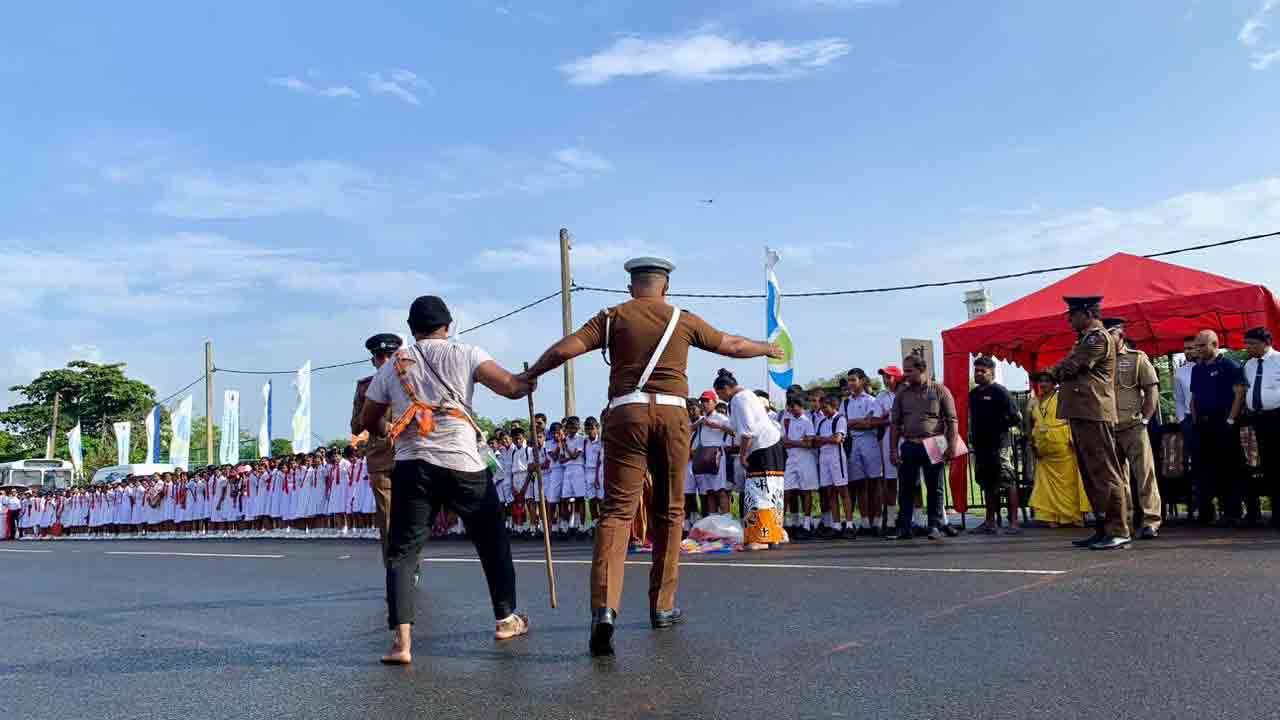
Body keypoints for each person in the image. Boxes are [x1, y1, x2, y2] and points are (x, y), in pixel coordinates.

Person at [522, 256, 781, 657]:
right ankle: (662, 606)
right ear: (665, 287)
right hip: (674, 414)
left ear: (631, 287)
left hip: (626, 413)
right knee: (671, 510)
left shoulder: (611, 317)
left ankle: (604, 609)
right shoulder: (682, 318)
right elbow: (730, 344)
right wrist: (768, 348)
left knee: (617, 512)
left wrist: (531, 374)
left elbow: (564, 349)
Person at [359, 295, 533, 665]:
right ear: (448, 326)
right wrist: (528, 380)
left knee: (403, 552)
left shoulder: (393, 366)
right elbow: (511, 388)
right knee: (493, 541)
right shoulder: (467, 352)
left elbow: (367, 418)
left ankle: (401, 643)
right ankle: (505, 618)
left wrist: (391, 428)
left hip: (413, 464)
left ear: (411, 330)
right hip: (462, 461)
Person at [1049, 296, 1131, 550]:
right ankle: (1103, 527)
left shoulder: (1097, 338)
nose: (1069, 319)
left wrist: (1055, 371)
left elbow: (1073, 366)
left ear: (1086, 313)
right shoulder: (1085, 339)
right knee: (1091, 474)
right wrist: (1059, 368)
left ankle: (1118, 529)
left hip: (1094, 412)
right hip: (1082, 413)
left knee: (1105, 472)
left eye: (1072, 314)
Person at [889, 355, 960, 541]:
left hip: (934, 443)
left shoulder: (940, 390)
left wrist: (951, 446)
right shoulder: (902, 394)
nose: (905, 375)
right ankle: (904, 527)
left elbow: (952, 420)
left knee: (935, 487)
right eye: (904, 370)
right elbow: (895, 424)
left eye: (909, 371)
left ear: (922, 369)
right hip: (910, 445)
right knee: (905, 488)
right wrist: (893, 450)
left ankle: (934, 526)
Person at [1104, 318, 1162, 539]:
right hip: (1109, 428)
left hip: (1134, 426)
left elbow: (1151, 390)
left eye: (1111, 335)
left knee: (1144, 474)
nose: (1107, 340)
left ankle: (1150, 521)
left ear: (1121, 335)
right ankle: (1123, 521)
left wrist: (1146, 419)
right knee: (1117, 479)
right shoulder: (1099, 361)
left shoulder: (1137, 358)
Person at [716, 369, 786, 552]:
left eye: (719, 393)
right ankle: (774, 535)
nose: (720, 398)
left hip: (762, 448)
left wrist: (743, 454)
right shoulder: (746, 396)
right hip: (771, 445)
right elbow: (735, 426)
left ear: (725, 388)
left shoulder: (740, 399)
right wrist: (719, 424)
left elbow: (748, 431)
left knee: (758, 492)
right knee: (772, 492)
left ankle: (762, 537)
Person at [1190, 329, 1247, 526]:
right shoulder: (1197, 369)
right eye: (1196, 346)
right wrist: (1196, 420)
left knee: (1229, 468)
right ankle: (1208, 513)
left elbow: (1239, 394)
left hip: (1224, 422)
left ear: (1215, 344)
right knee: (1206, 469)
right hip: (1203, 425)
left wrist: (1231, 420)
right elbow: (1194, 398)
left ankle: (1233, 512)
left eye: (1202, 345)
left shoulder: (1230, 365)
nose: (1198, 349)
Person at [353, 333, 402, 553]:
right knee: (388, 516)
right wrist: (377, 421)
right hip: (381, 457)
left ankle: (410, 563)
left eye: (388, 355)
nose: (384, 361)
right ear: (373, 360)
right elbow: (355, 426)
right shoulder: (365, 387)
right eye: (379, 356)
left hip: (410, 452)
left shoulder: (411, 380)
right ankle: (394, 567)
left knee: (412, 515)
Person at [1027, 371, 1091, 526]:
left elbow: (1072, 419)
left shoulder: (1062, 398)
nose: (1043, 384)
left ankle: (1072, 516)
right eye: (1041, 381)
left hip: (1063, 445)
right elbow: (1029, 424)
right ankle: (1052, 517)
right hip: (1043, 447)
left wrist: (1074, 439)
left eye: (1047, 381)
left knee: (1069, 482)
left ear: (1054, 383)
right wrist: (1032, 443)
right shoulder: (1034, 401)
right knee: (1046, 484)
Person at [969, 356, 1023, 535]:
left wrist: (999, 426)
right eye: (976, 370)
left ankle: (1014, 522)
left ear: (991, 372)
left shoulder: (1001, 392)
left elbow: (1016, 417)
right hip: (981, 445)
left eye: (982, 371)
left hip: (999, 445)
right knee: (986, 483)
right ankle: (990, 521)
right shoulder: (973, 394)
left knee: (1008, 481)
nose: (978, 374)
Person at [1242, 326, 1280, 529]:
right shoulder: (1249, 365)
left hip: (1278, 416)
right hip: (1259, 419)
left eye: (1252, 344)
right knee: (1268, 465)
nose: (1248, 347)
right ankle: (1276, 514)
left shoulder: (1279, 360)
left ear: (1266, 344)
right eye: (1246, 344)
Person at [844, 368, 884, 536]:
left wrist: (855, 423)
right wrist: (859, 422)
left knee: (875, 483)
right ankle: (865, 522)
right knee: (859, 484)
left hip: (870, 441)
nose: (851, 383)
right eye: (849, 380)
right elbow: (843, 423)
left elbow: (871, 423)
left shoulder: (871, 400)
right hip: (854, 443)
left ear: (862, 380)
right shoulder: (846, 402)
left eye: (854, 380)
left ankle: (878, 521)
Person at [815, 394, 854, 538]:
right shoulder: (822, 422)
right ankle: (836, 525)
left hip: (837, 458)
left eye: (825, 407)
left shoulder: (840, 419)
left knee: (843, 491)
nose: (823, 410)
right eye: (822, 407)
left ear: (834, 406)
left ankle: (849, 524)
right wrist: (823, 440)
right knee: (830, 491)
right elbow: (819, 442)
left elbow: (837, 438)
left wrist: (820, 439)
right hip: (824, 457)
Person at [1172, 336, 1201, 519]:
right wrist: (1183, 420)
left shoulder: (1209, 367)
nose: (1188, 351)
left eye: (1191, 348)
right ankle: (1201, 507)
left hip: (1210, 418)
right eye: (1185, 348)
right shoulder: (1180, 373)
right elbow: (1179, 399)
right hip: (1190, 421)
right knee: (1196, 463)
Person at [782, 397, 819, 538]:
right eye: (789, 406)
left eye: (793, 406)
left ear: (800, 405)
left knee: (806, 491)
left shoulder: (807, 421)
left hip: (805, 459)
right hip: (791, 459)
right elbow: (784, 443)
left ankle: (807, 524)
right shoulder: (786, 421)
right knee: (786, 491)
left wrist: (792, 442)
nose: (791, 409)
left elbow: (809, 444)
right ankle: (781, 524)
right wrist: (798, 442)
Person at [693, 390, 733, 516]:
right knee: (709, 491)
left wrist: (717, 425)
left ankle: (726, 520)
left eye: (707, 401)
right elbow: (687, 428)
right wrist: (699, 423)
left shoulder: (721, 418)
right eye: (702, 401)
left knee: (720, 490)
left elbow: (734, 432)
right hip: (704, 455)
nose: (704, 404)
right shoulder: (702, 419)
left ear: (714, 402)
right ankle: (713, 520)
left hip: (716, 455)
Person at [874, 366, 902, 535]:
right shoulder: (881, 396)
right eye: (884, 377)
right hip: (888, 439)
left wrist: (891, 417)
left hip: (906, 437)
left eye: (889, 377)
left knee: (912, 482)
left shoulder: (906, 392)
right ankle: (890, 520)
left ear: (897, 377)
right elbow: (877, 420)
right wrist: (889, 418)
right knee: (890, 481)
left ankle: (916, 519)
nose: (885, 380)